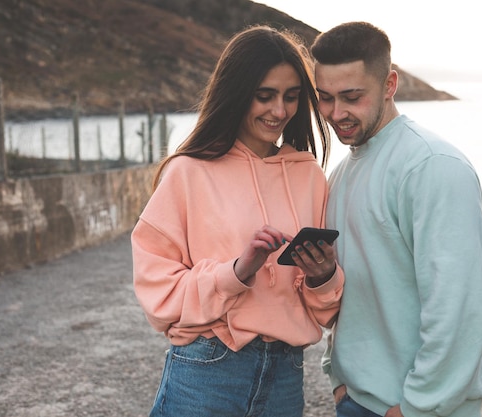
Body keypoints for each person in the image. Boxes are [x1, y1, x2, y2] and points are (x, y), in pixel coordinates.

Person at [131, 25, 344, 417]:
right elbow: (157, 296)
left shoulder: (309, 176)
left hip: (285, 377)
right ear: (237, 92)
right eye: (265, 96)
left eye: (291, 97)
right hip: (208, 374)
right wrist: (237, 271)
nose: (279, 111)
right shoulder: (188, 173)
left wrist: (322, 276)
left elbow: (325, 312)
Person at [309, 22, 482, 417]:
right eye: (324, 98)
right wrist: (337, 377)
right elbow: (354, 294)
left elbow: (457, 308)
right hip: (357, 400)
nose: (336, 113)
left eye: (352, 97)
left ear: (390, 84)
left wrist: (416, 407)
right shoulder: (341, 174)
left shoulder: (433, 166)